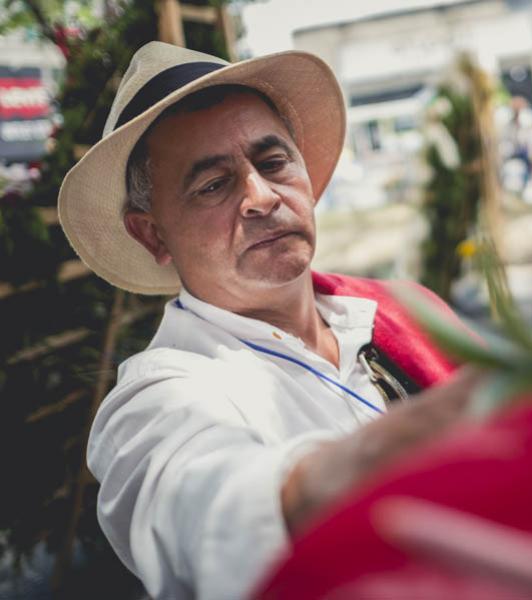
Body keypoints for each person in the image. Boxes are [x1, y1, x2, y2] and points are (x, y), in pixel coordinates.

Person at [56, 42, 488, 599]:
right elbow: (207, 506)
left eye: (273, 161)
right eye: (213, 185)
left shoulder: (400, 310)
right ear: (152, 234)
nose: (260, 196)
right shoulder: (160, 398)